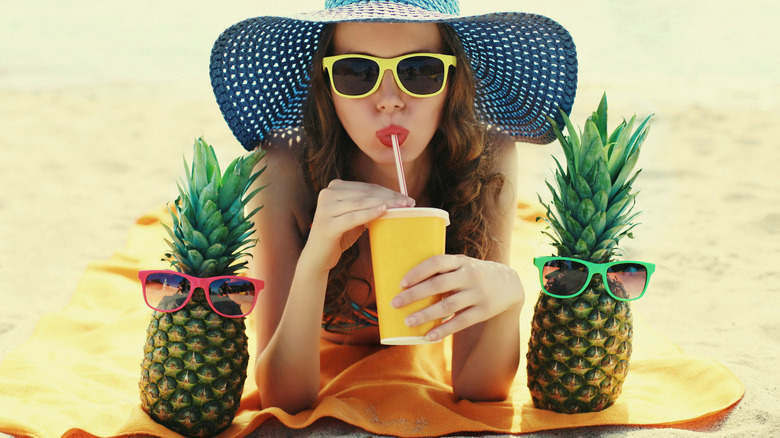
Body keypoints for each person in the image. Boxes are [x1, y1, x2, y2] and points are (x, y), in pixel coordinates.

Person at [209, 0, 577, 414]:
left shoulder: (486, 158)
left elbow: (480, 389)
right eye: (355, 73)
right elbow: (284, 397)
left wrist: (510, 294)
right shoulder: (282, 170)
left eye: (420, 71)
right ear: (326, 86)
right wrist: (315, 262)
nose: (388, 101)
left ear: (454, 79)